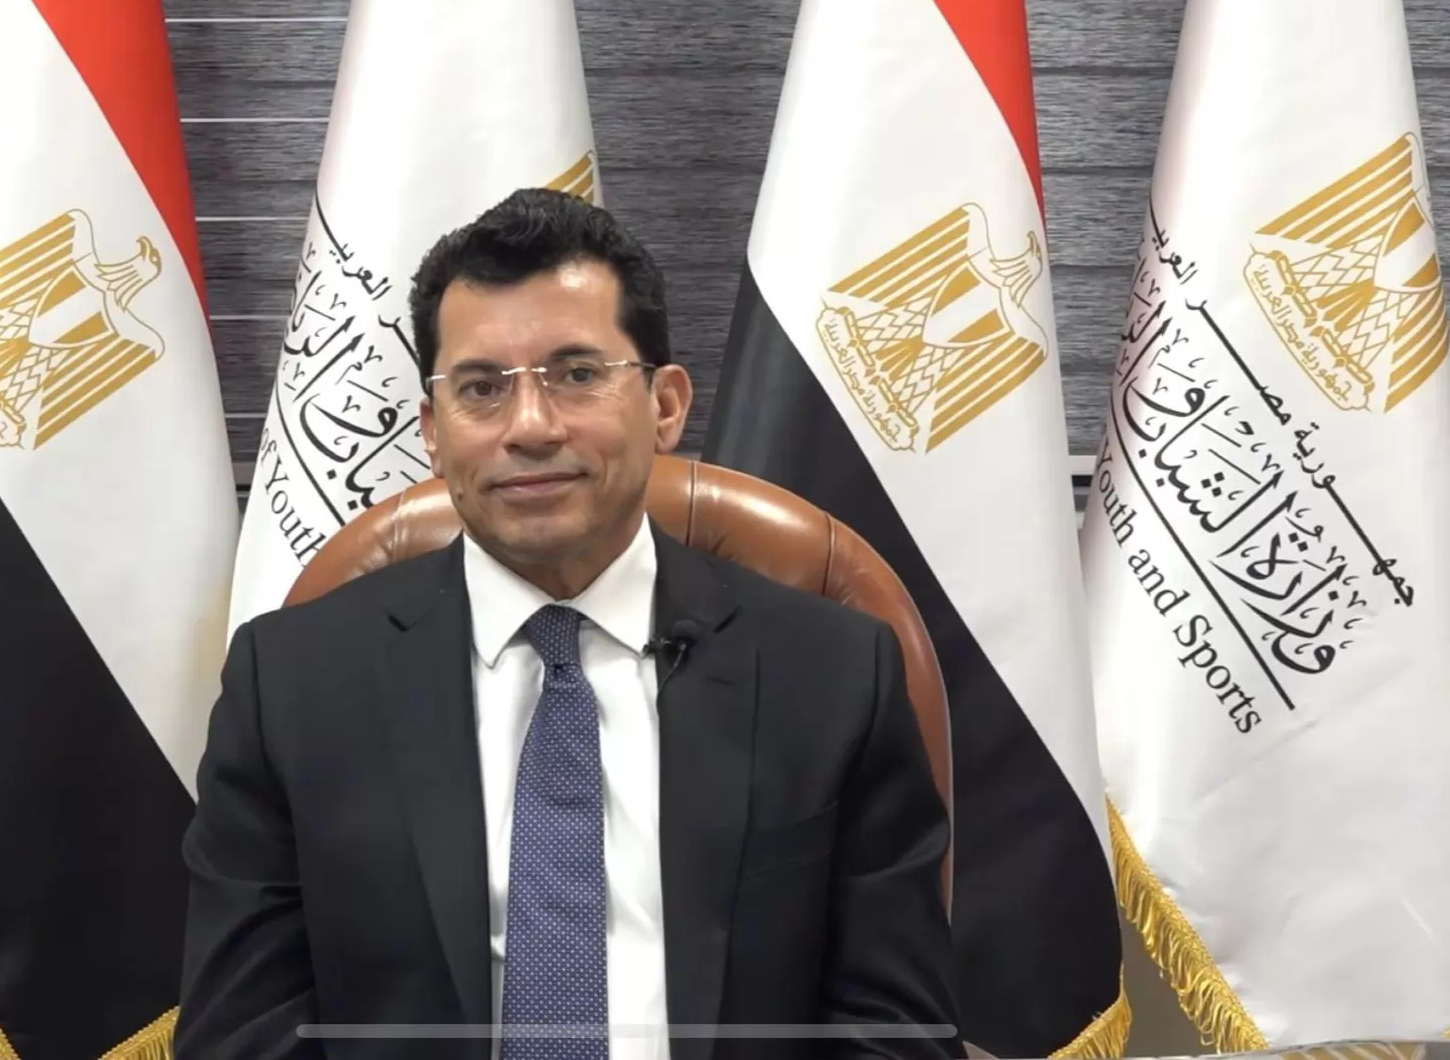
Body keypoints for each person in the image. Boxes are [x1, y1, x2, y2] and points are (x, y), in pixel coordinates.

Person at [175, 188, 962, 1060]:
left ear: (665, 405)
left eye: (578, 374)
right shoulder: (291, 686)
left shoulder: (832, 674)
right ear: (433, 432)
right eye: (481, 388)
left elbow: (894, 1032)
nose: (531, 427)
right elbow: (242, 1036)